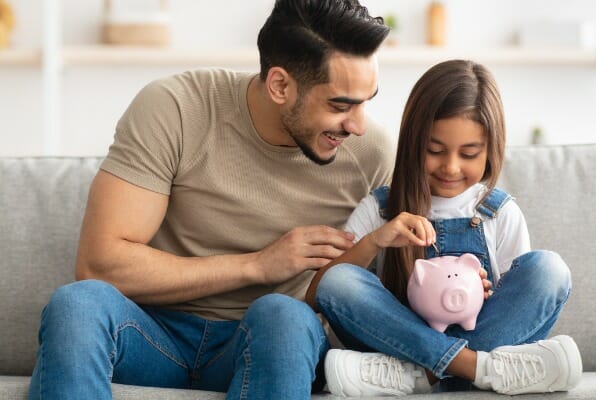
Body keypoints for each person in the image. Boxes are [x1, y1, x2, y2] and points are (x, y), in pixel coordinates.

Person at [28, 1, 392, 399]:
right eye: (340, 105)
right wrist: (257, 265)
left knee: (284, 315)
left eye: (366, 100)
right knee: (78, 305)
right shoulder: (176, 108)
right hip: (153, 335)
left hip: (266, 343)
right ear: (280, 85)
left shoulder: (372, 153)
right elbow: (100, 264)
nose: (357, 124)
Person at [305, 59, 583, 396]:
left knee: (549, 269)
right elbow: (319, 294)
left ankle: (419, 376)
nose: (450, 167)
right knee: (341, 279)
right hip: (396, 340)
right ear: (413, 144)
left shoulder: (499, 212)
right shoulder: (380, 208)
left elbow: (515, 308)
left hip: (414, 355)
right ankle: (474, 369)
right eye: (434, 150)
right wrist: (376, 241)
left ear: (490, 151)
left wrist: (486, 290)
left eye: (469, 154)